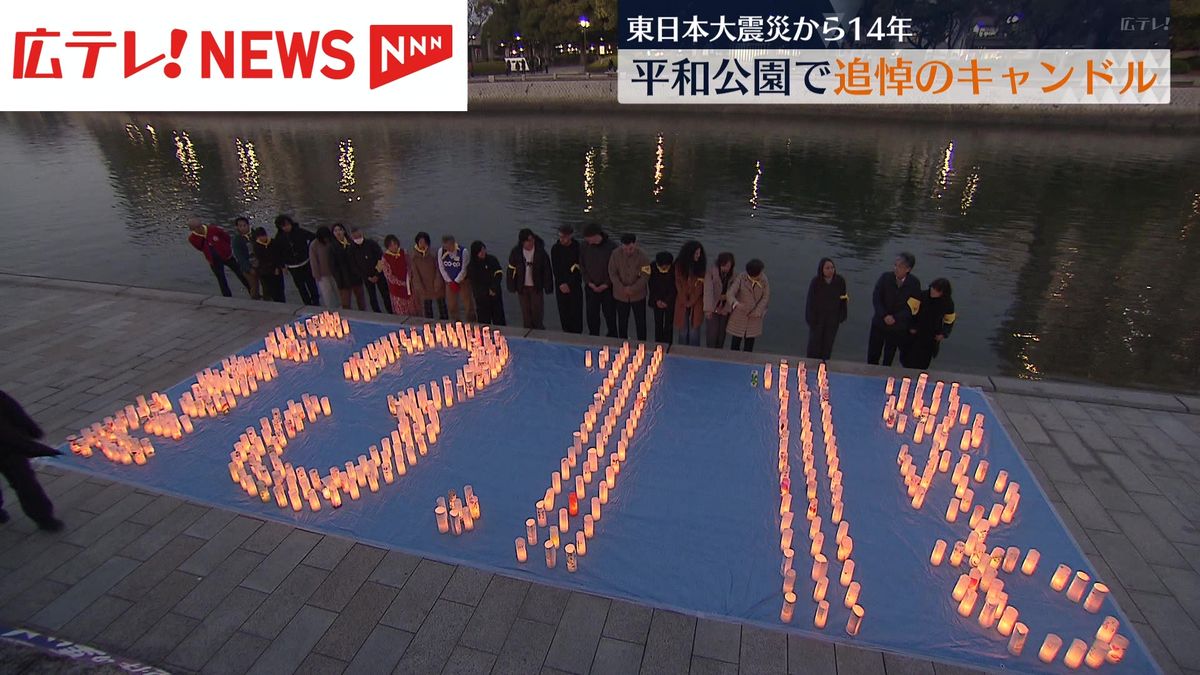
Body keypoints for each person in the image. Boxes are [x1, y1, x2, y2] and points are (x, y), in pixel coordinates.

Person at [0, 390, 63, 531]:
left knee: (25, 482)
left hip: (9, 447)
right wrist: (37, 445)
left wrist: (32, 430)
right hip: (9, 448)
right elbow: (10, 433)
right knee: (24, 481)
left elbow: (11, 409)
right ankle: (44, 519)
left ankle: (43, 517)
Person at [868, 252, 921, 367]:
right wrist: (884, 315)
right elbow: (876, 298)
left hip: (897, 326)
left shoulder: (914, 283)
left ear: (908, 269)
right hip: (879, 322)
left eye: (900, 266)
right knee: (873, 353)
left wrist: (895, 318)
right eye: (895, 265)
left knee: (889, 355)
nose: (896, 268)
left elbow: (913, 306)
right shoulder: (885, 278)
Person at [902, 278, 956, 370]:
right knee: (908, 359)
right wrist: (910, 327)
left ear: (943, 293)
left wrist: (943, 334)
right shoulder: (920, 296)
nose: (933, 291)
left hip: (931, 335)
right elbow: (907, 312)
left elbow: (949, 320)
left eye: (937, 290)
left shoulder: (948, 303)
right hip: (915, 333)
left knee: (924, 362)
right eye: (932, 288)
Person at [187, 218, 249, 298]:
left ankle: (251, 290)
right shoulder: (192, 239)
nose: (199, 228)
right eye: (196, 227)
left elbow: (226, 237)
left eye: (200, 226)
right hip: (213, 260)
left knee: (240, 273)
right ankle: (227, 297)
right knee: (221, 279)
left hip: (227, 256)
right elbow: (199, 248)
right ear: (192, 229)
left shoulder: (214, 229)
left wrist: (226, 248)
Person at [507, 228, 554, 330]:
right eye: (528, 240)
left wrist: (548, 287)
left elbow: (547, 270)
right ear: (523, 242)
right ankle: (528, 330)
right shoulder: (516, 252)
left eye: (532, 240)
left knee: (537, 311)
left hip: (536, 286)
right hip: (522, 286)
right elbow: (511, 269)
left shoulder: (540, 252)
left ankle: (539, 330)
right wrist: (511, 286)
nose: (531, 242)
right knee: (525, 312)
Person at [805, 257, 849, 361]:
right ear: (822, 269)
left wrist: (842, 316)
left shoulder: (840, 281)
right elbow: (810, 301)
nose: (830, 270)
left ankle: (824, 366)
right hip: (817, 320)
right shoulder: (816, 282)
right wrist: (810, 319)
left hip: (833, 320)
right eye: (827, 268)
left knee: (827, 345)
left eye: (832, 268)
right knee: (814, 346)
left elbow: (843, 298)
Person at [608, 233, 650, 341]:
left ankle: (642, 343)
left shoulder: (643, 256)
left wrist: (633, 289)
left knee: (640, 322)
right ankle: (622, 343)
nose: (628, 251)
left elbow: (645, 275)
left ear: (635, 244)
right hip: (620, 295)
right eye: (625, 249)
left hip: (638, 295)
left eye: (630, 249)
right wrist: (621, 288)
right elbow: (612, 273)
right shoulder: (615, 254)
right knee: (622, 321)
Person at [579, 224, 618, 337]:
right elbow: (582, 265)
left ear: (596, 235)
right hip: (591, 287)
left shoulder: (612, 247)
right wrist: (588, 282)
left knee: (610, 314)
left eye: (588, 238)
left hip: (607, 288)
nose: (587, 241)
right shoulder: (584, 246)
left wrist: (606, 284)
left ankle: (612, 335)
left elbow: (615, 268)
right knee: (592, 315)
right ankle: (593, 336)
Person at [271, 215, 319, 305]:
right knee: (300, 286)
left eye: (288, 224)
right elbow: (278, 253)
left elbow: (313, 237)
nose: (287, 227)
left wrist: (308, 250)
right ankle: (307, 303)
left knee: (311, 283)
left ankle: (316, 302)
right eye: (284, 226)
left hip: (305, 262)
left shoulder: (299, 231)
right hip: (292, 266)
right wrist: (282, 265)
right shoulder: (279, 238)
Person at [727, 259, 770, 352]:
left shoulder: (764, 280)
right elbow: (730, 293)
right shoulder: (741, 278)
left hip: (754, 317)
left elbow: (765, 297)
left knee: (749, 344)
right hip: (740, 315)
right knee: (735, 343)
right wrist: (736, 304)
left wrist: (758, 311)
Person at [551, 225, 584, 334]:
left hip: (574, 285)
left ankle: (578, 335)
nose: (562, 240)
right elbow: (555, 268)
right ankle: (566, 333)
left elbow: (579, 269)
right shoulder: (555, 249)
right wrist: (561, 283)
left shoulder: (577, 248)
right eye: (560, 237)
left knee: (576, 313)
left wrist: (569, 284)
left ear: (570, 236)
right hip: (560, 285)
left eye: (564, 237)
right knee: (564, 312)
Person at [351, 227, 392, 314]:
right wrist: (366, 277)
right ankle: (377, 314)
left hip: (379, 274)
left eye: (359, 236)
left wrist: (377, 274)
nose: (358, 238)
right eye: (355, 237)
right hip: (367, 277)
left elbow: (381, 259)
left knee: (385, 295)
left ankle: (391, 312)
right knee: (372, 297)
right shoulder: (352, 248)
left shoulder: (371, 243)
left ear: (362, 233)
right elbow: (354, 265)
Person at [674, 241, 706, 347]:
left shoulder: (701, 266)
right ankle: (682, 351)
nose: (698, 256)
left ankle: (694, 353)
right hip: (682, 301)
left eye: (699, 253)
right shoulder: (679, 265)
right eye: (696, 253)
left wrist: (691, 300)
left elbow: (700, 286)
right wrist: (684, 299)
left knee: (694, 330)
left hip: (696, 302)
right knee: (683, 329)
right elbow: (678, 283)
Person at [467, 241, 506, 325]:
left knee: (499, 319)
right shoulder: (472, 266)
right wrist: (486, 291)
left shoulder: (492, 259)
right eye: (480, 251)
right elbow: (475, 284)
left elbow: (499, 273)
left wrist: (493, 288)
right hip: (482, 299)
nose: (483, 252)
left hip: (495, 296)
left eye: (484, 249)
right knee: (484, 322)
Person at [410, 232, 448, 320]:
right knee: (427, 308)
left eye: (424, 242)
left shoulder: (434, 253)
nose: (422, 244)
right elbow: (415, 273)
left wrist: (438, 281)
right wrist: (418, 286)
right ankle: (429, 325)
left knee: (442, 306)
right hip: (424, 285)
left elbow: (439, 268)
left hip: (436, 283)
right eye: (420, 242)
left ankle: (445, 323)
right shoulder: (413, 256)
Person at [329, 223, 366, 310]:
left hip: (355, 275)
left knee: (360, 299)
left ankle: (364, 314)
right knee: (346, 302)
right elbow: (333, 266)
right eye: (335, 231)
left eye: (340, 230)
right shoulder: (332, 247)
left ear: (344, 231)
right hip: (343, 278)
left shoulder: (351, 242)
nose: (338, 232)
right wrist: (338, 279)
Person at [381, 235, 420, 316]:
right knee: (402, 311)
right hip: (397, 289)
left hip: (409, 286)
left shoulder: (404, 252)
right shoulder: (385, 258)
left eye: (395, 244)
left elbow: (410, 266)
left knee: (414, 309)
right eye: (391, 245)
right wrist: (402, 283)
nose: (394, 247)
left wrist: (409, 279)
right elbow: (389, 276)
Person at [439, 235, 474, 321]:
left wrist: (456, 281)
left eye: (449, 246)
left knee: (468, 304)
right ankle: (455, 323)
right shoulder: (441, 251)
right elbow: (441, 267)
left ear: (453, 243)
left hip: (463, 281)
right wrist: (449, 281)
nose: (447, 248)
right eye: (445, 246)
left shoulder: (463, 252)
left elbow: (464, 269)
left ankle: (472, 323)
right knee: (451, 305)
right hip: (449, 282)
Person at [704, 252, 736, 349]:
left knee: (722, 333)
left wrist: (726, 308)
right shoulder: (711, 273)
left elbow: (734, 292)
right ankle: (710, 353)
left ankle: (719, 352)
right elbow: (708, 291)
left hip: (725, 307)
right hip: (713, 306)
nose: (727, 268)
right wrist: (708, 309)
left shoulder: (734, 276)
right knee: (712, 333)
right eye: (725, 265)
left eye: (729, 266)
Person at [649, 251, 676, 344]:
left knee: (669, 324)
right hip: (657, 300)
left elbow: (675, 288)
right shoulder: (652, 267)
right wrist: (657, 300)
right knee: (658, 323)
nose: (664, 268)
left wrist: (667, 301)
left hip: (670, 301)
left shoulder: (674, 269)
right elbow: (651, 285)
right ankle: (658, 343)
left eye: (666, 266)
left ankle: (668, 343)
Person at [252, 227, 285, 302]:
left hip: (276, 269)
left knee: (280, 289)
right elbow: (260, 259)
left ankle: (281, 302)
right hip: (264, 271)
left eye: (263, 236)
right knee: (268, 289)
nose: (262, 238)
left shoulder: (273, 242)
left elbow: (278, 255)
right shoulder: (256, 246)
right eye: (260, 237)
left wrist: (278, 267)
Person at [309, 226, 339, 309]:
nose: (326, 239)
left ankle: (342, 307)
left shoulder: (332, 241)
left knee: (338, 292)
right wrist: (317, 275)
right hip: (322, 275)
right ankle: (330, 309)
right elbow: (313, 261)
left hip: (335, 272)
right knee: (327, 294)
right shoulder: (314, 245)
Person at [231, 216, 260, 300]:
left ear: (248, 225)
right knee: (254, 286)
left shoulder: (255, 234)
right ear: (237, 227)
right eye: (240, 226)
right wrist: (249, 268)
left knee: (266, 285)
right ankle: (254, 303)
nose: (243, 228)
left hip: (260, 263)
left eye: (244, 225)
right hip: (247, 267)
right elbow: (239, 257)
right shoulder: (237, 240)